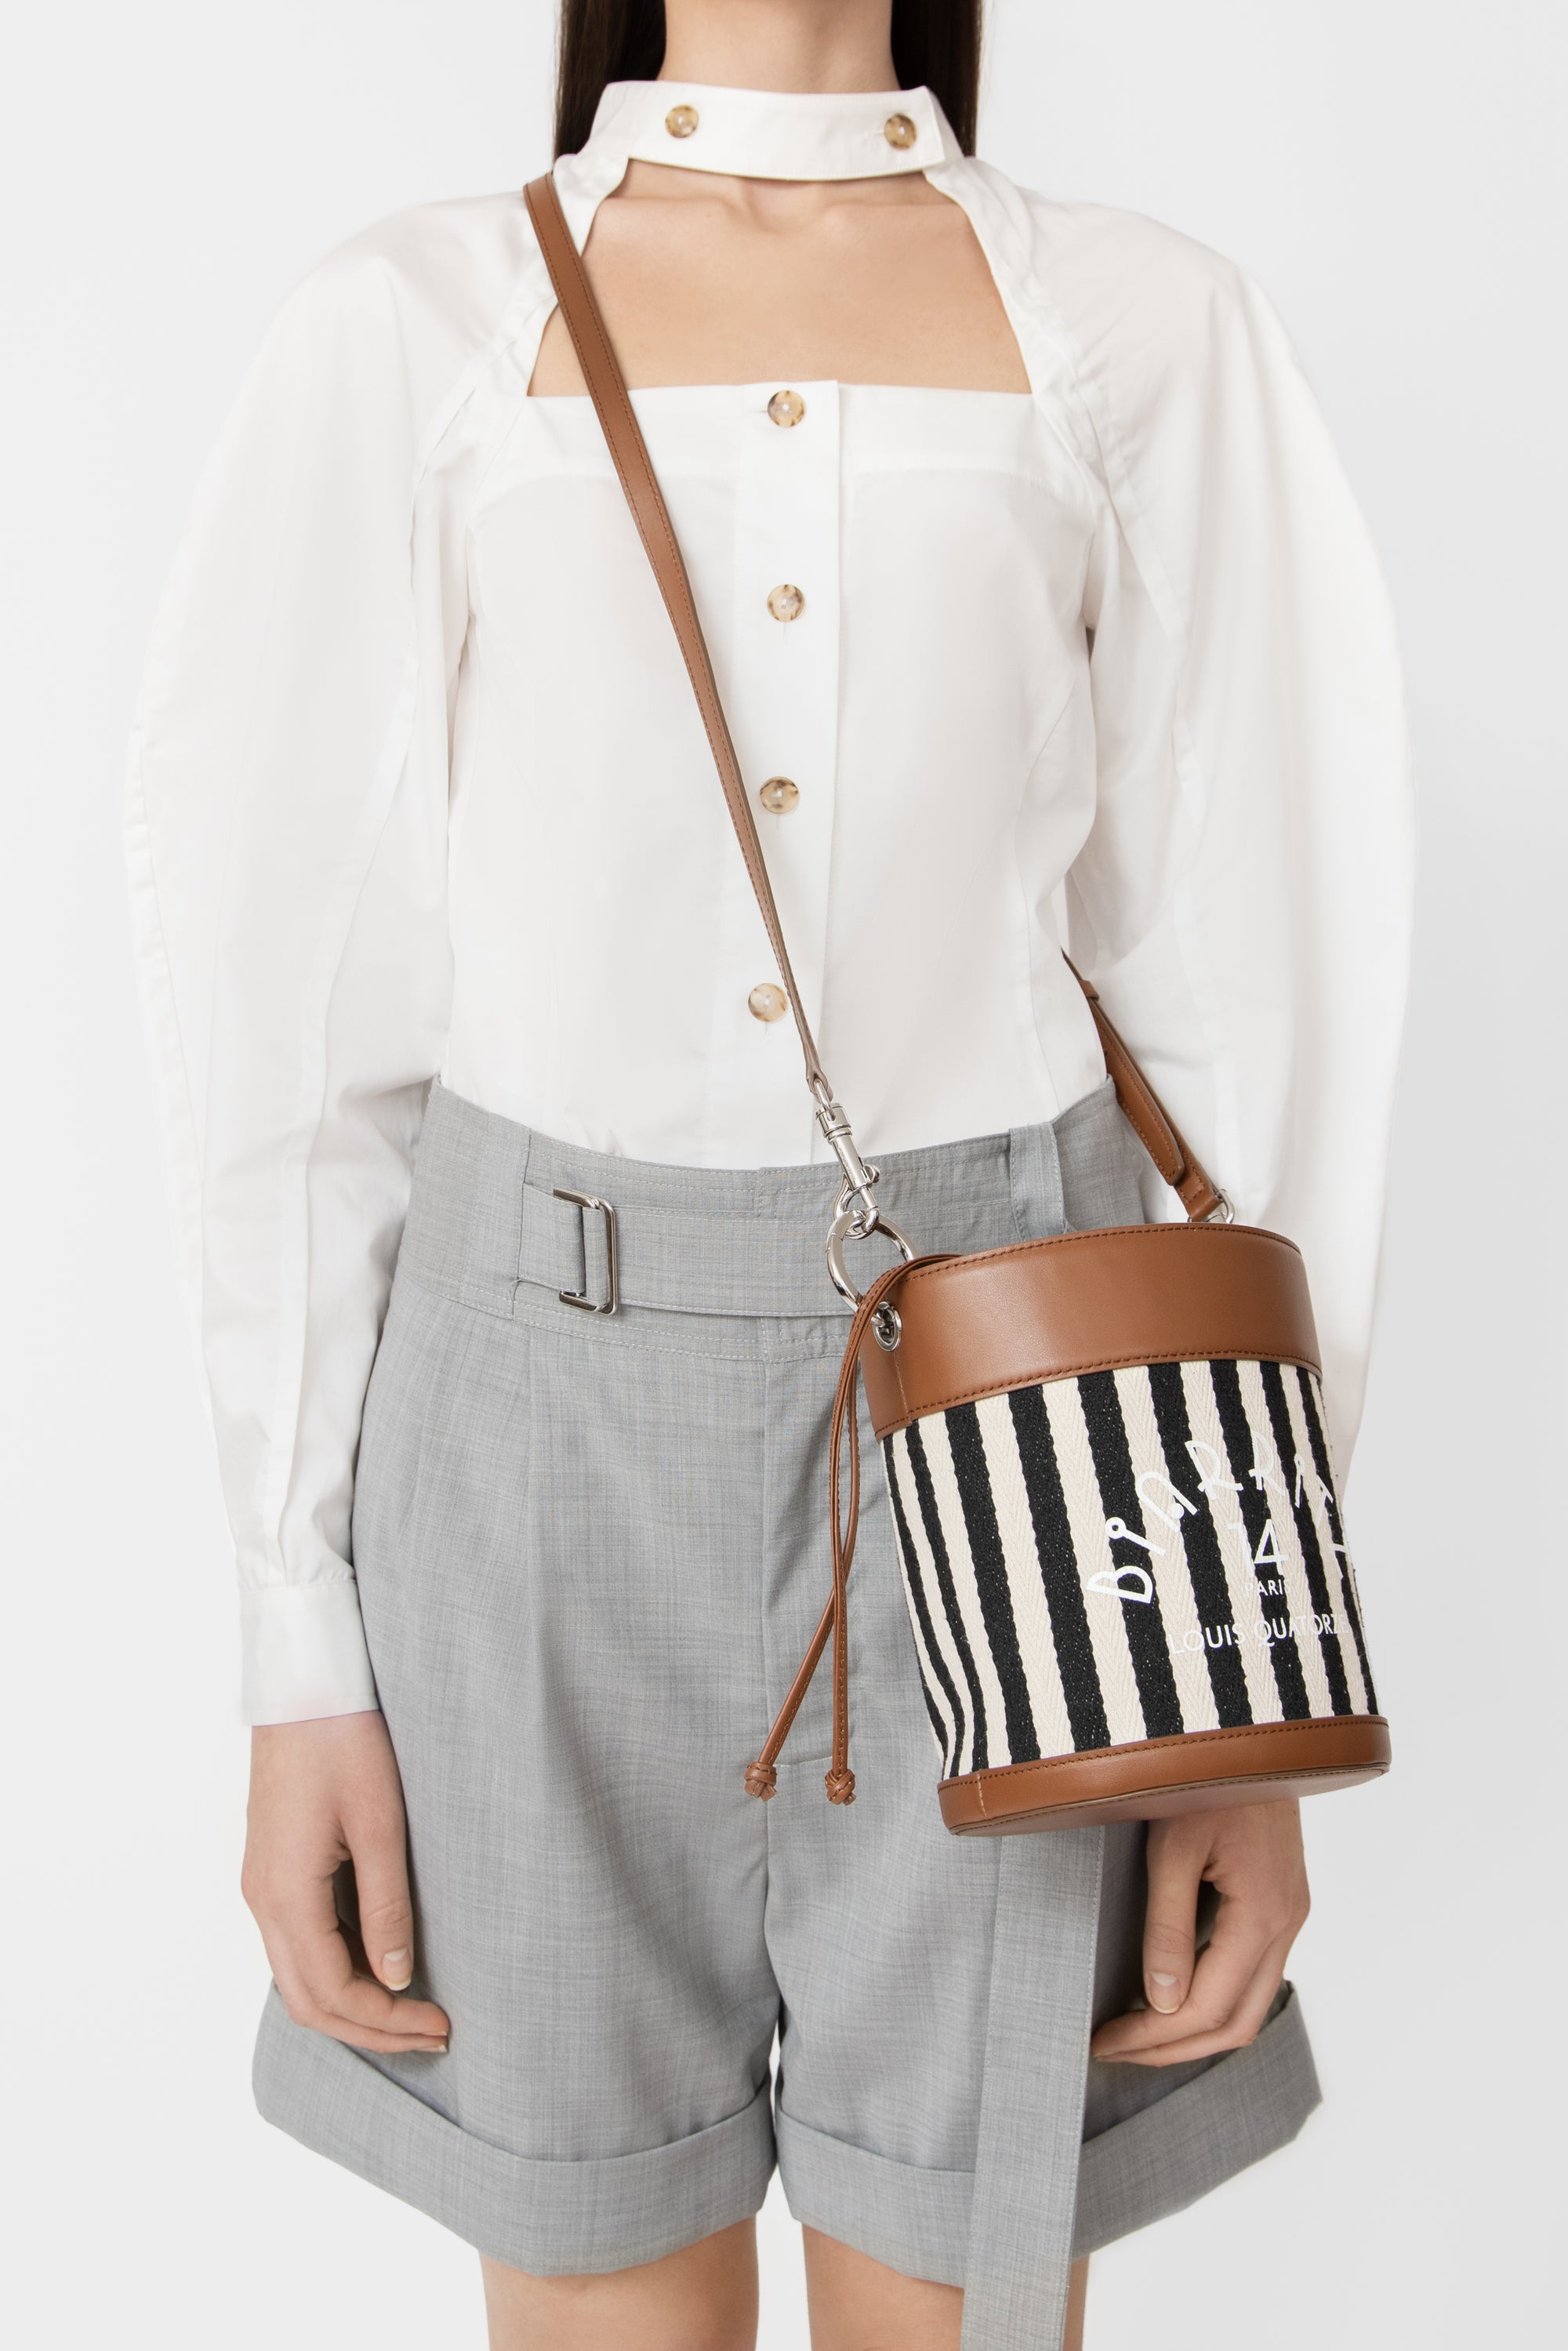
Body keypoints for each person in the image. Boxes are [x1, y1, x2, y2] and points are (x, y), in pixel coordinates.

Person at [125, 3, 1411, 2346]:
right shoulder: (413, 319)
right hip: (527, 1458)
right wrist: (297, 1647)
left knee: (966, 2305)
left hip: (1016, 1436)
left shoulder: (1139, 323)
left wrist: (1250, 1666)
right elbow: (290, 1030)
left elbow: (1272, 1008)